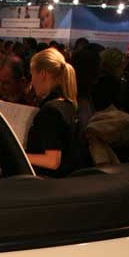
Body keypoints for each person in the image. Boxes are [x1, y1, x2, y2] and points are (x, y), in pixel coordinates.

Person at [26, 47, 82, 177]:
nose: (32, 82)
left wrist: (19, 155)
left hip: (47, 183)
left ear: (43, 74)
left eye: (32, 75)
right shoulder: (68, 105)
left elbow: (52, 161)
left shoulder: (51, 111)